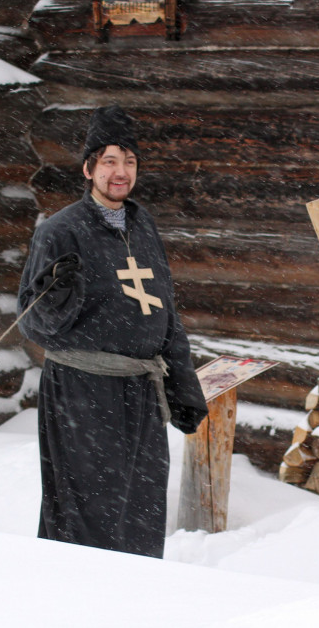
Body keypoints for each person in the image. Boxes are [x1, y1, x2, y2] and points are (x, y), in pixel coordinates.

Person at [17, 105, 208, 557]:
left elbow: (166, 312)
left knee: (142, 504)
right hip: (82, 391)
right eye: (109, 161)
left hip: (141, 393)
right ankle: (78, 592)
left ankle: (135, 592)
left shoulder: (143, 225)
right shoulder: (60, 231)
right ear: (88, 169)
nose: (120, 172)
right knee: (89, 507)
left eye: (130, 161)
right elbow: (34, 323)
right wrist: (59, 297)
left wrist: (184, 386)